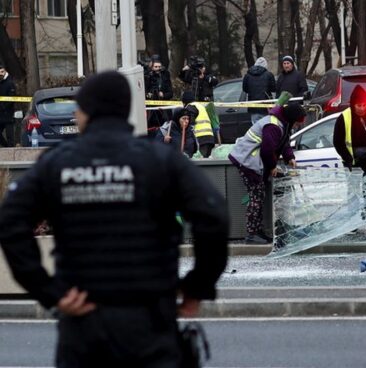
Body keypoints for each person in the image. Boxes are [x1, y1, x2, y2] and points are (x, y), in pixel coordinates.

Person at [0, 71, 229, 366]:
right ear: (125, 110)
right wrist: (198, 285)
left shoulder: (57, 164)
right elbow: (214, 215)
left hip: (83, 322)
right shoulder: (159, 160)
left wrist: (49, 290)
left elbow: (9, 222)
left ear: (85, 113)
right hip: (149, 320)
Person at [229, 99, 306, 244]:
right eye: (297, 122)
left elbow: (284, 142)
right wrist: (272, 166)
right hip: (248, 162)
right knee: (256, 197)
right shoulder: (273, 125)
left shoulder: (283, 123)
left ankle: (257, 231)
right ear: (292, 118)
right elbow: (266, 150)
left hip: (252, 162)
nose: (298, 125)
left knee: (259, 196)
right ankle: (252, 234)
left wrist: (290, 157)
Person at [333, 85, 366, 234]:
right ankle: (353, 224)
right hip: (353, 162)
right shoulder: (344, 117)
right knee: (353, 194)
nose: (362, 108)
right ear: (352, 104)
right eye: (358, 105)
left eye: (364, 105)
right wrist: (348, 158)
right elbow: (338, 141)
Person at [180, 91, 216, 158]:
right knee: (206, 162)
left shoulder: (190, 107)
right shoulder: (200, 106)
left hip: (200, 139)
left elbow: (190, 123)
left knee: (200, 162)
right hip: (209, 138)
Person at [243, 57, 277, 125]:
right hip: (266, 106)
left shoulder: (247, 75)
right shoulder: (269, 75)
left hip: (253, 106)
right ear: (265, 65)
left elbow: (245, 89)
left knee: (256, 127)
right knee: (267, 126)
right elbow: (274, 88)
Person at [0, 64, 17, 147]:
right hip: (1, 114)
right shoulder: (1, 82)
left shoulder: (10, 83)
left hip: (8, 114)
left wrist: (4, 107)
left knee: (10, 136)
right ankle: (6, 147)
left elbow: (12, 98)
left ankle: (10, 149)